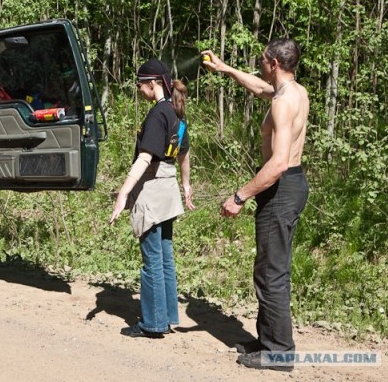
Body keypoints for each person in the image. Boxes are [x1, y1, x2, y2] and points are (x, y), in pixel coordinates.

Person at [202, 39, 309, 371]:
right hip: (289, 186)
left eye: (263, 61)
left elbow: (277, 164)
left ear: (274, 63)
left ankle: (279, 352)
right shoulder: (293, 92)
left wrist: (239, 196)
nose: (260, 65)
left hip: (281, 187)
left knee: (271, 273)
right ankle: (266, 341)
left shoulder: (282, 103)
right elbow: (261, 88)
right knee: (268, 269)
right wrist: (225, 69)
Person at [109, 59, 194, 338]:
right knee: (165, 255)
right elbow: (184, 153)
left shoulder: (158, 113)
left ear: (153, 83)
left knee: (152, 259)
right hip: (168, 189)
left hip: (153, 189)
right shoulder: (176, 111)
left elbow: (146, 157)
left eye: (140, 85)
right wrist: (185, 185)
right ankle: (169, 316)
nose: (139, 90)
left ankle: (153, 323)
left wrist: (123, 192)